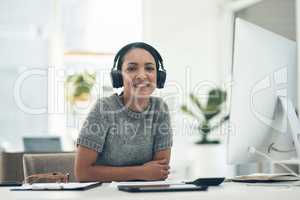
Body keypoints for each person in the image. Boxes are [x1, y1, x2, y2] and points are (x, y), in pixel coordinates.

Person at [75, 42, 173, 182]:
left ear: (159, 76)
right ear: (119, 76)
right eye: (132, 68)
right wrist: (140, 172)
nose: (141, 75)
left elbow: (159, 172)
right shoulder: (104, 108)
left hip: (146, 195)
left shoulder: (160, 109)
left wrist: (146, 173)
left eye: (149, 68)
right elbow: (83, 173)